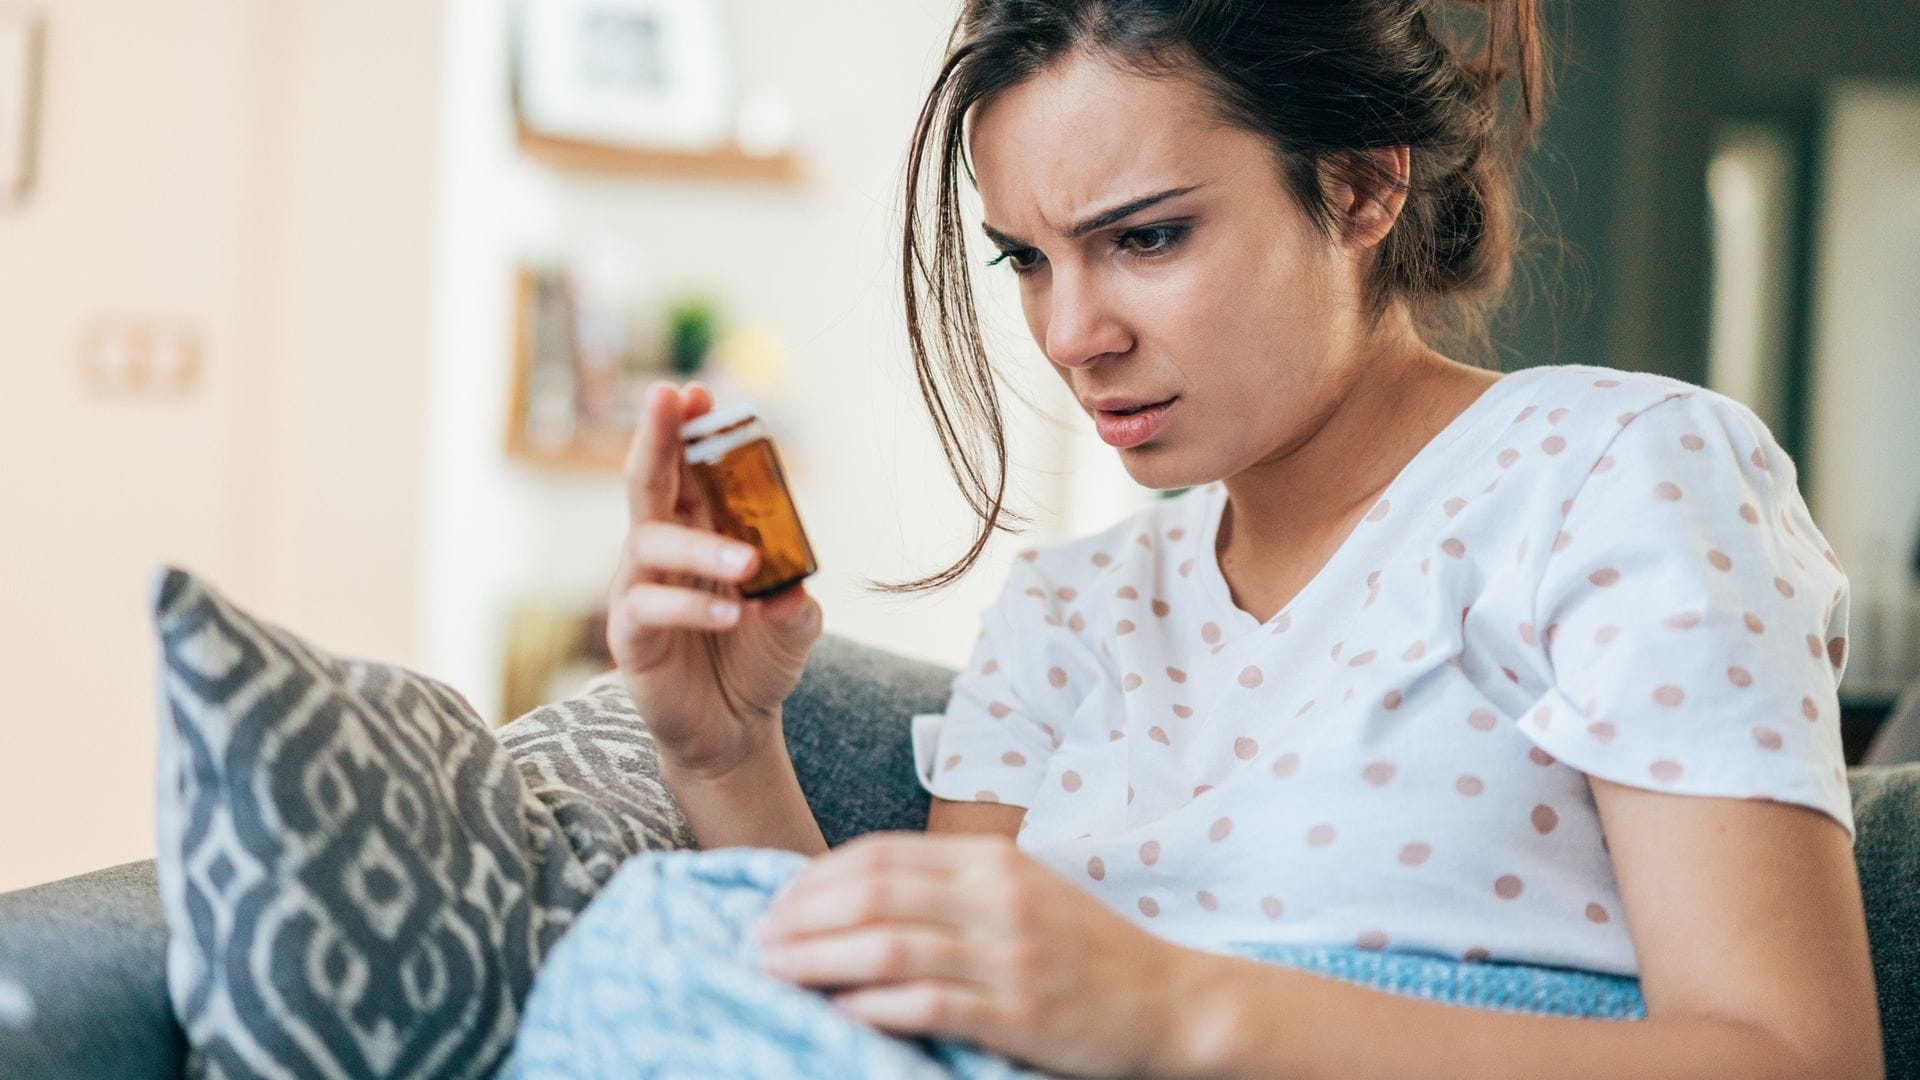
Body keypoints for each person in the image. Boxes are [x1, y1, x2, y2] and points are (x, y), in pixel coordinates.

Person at [597, 1, 1883, 1076]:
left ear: (1365, 181)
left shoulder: (1614, 473)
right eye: (1027, 262)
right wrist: (725, 753)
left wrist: (1173, 1006)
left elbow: (1792, 1056)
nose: (1070, 335)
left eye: (1145, 238)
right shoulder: (1068, 608)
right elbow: (915, 1039)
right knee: (647, 931)